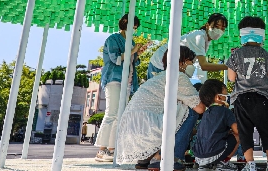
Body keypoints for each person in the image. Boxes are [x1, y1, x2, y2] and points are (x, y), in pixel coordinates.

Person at [115, 46, 206, 170]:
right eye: (191, 62)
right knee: (190, 110)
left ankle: (146, 158)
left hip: (130, 125)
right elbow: (200, 108)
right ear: (181, 61)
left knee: (176, 108)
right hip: (148, 123)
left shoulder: (159, 76)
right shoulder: (178, 76)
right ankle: (169, 157)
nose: (193, 66)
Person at [226, 16, 268, 171]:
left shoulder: (236, 54)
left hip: (241, 98)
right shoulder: (265, 54)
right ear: (261, 34)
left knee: (245, 132)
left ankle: (250, 164)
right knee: (266, 131)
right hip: (261, 98)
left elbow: (231, 78)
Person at [95, 14, 147, 162]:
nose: (134, 30)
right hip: (114, 79)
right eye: (133, 27)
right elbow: (115, 59)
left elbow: (132, 62)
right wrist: (132, 50)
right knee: (111, 113)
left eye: (136, 28)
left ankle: (112, 149)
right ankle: (101, 149)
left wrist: (137, 54)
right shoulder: (113, 39)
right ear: (125, 24)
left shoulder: (131, 42)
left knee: (120, 115)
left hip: (128, 81)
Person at [149, 13, 229, 79]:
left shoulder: (206, 40)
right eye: (216, 26)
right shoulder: (199, 37)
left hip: (170, 66)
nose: (219, 31)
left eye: (223, 28)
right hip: (159, 64)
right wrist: (228, 67)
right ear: (207, 25)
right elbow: (204, 65)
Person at [193, 79, 240, 171]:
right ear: (218, 98)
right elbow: (238, 130)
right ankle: (223, 163)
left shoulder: (206, 113)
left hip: (198, 156)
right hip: (214, 154)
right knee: (239, 136)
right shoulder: (225, 111)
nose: (227, 97)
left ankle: (204, 166)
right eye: (225, 95)